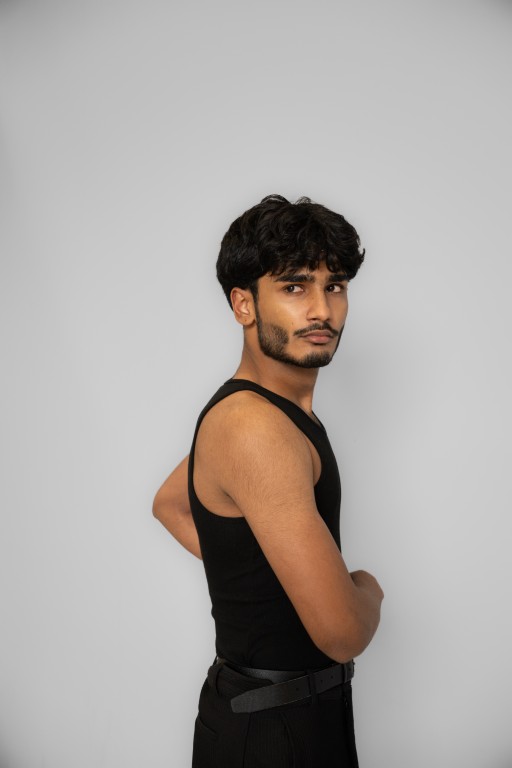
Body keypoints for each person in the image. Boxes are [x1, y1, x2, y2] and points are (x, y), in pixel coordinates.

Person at [152, 194, 384, 767]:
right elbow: (342, 633)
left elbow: (172, 504)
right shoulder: (253, 428)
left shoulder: (266, 412)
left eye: (334, 286)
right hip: (270, 733)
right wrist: (366, 588)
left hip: (290, 715)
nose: (322, 310)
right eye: (295, 286)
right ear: (244, 304)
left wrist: (264, 579)